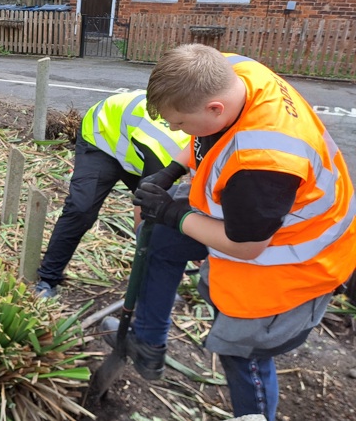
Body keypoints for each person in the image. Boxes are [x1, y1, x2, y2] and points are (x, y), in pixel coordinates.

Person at [106, 43, 356, 420]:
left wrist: (172, 212)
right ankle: (148, 343)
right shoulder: (232, 72)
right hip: (255, 218)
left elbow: (247, 246)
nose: (176, 131)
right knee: (159, 239)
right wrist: (169, 172)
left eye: (180, 123)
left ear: (214, 109)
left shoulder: (264, 163)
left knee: (243, 354)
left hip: (292, 259)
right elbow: (203, 138)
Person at [34, 90, 190, 297]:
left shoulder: (201, 141)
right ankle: (48, 279)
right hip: (102, 139)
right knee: (82, 209)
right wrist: (147, 247)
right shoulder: (164, 146)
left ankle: (157, 280)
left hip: (137, 151)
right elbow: (143, 210)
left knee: (167, 215)